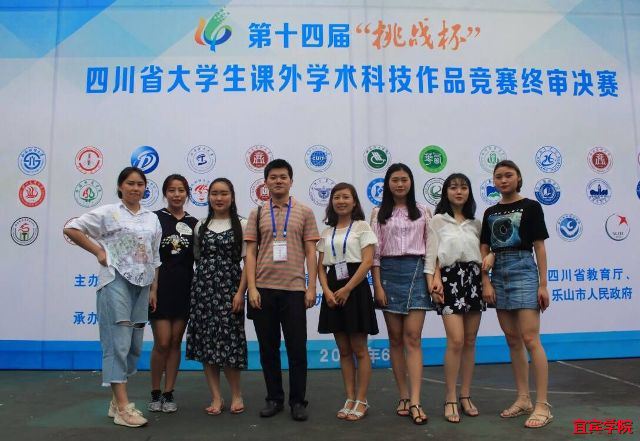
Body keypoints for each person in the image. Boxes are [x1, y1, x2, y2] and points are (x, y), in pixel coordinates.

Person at [63, 166, 161, 428]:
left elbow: (155, 256)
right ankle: (123, 408)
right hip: (115, 281)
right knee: (118, 343)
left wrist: (154, 288)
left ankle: (116, 401)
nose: (135, 188)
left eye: (140, 184)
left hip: (143, 284)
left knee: (134, 345)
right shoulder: (108, 213)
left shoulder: (152, 218)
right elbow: (72, 228)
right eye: (130, 183)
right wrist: (98, 251)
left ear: (145, 188)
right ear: (120, 186)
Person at [244, 159, 320, 421]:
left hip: (294, 290)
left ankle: (298, 401)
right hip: (263, 290)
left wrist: (311, 287)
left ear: (291, 181)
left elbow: (311, 251)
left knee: (297, 349)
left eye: (283, 177)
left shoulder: (305, 212)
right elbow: (250, 252)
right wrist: (251, 287)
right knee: (268, 350)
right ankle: (274, 398)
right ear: (266, 182)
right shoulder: (257, 213)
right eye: (273, 177)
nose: (278, 181)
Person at [480, 160, 553, 429]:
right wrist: (486, 281)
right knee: (512, 340)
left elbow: (539, 247)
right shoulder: (490, 212)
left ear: (518, 178)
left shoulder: (531, 206)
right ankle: (523, 399)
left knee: (531, 339)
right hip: (498, 274)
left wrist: (542, 284)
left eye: (508, 175)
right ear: (494, 181)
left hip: (524, 270)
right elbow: (484, 247)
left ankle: (543, 405)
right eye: (498, 176)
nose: (503, 180)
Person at [370, 163, 432, 425]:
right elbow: (374, 254)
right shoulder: (378, 213)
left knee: (413, 338)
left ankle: (416, 400)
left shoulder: (424, 210)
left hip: (417, 272)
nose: (399, 184)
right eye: (395, 180)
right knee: (395, 339)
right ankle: (403, 396)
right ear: (387, 184)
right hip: (388, 274)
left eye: (404, 179)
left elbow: (431, 248)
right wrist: (378, 286)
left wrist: (431, 279)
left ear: (411, 182)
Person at [425, 173, 485, 423]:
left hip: (474, 279)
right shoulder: (437, 220)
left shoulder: (476, 223)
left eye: (463, 187)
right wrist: (433, 281)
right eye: (453, 187)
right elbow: (431, 256)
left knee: (470, 341)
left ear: (469, 192)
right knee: (456, 340)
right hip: (448, 280)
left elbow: (484, 254)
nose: (458, 192)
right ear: (446, 192)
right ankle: (450, 397)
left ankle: (465, 395)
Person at [317, 183, 379, 421]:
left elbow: (367, 262)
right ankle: (349, 398)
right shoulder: (327, 232)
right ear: (331, 202)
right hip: (333, 290)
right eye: (337, 197)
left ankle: (362, 400)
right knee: (343, 350)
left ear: (354, 202)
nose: (341, 201)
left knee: (359, 349)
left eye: (346, 197)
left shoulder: (362, 227)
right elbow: (321, 267)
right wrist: (327, 291)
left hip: (355, 288)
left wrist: (347, 289)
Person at [186, 178, 248, 415]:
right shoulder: (201, 225)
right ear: (208, 196)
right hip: (203, 290)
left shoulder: (242, 224)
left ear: (232, 196)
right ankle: (215, 397)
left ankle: (236, 395)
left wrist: (240, 292)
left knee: (230, 343)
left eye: (224, 193)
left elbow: (248, 262)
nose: (219, 198)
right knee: (206, 344)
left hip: (230, 289)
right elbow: (197, 257)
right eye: (214, 193)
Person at [147, 174, 198, 413]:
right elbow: (150, 256)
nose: (176, 194)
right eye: (171, 190)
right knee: (162, 342)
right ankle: (155, 391)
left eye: (181, 190)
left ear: (187, 193)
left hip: (185, 288)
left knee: (176, 342)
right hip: (160, 288)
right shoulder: (154, 219)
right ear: (165, 193)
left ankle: (168, 393)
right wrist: (153, 289)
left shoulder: (194, 223)